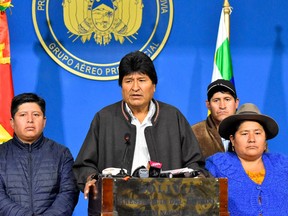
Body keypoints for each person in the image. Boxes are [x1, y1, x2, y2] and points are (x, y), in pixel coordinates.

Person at [73, 50, 209, 200]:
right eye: (129, 80)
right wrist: (91, 179)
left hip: (166, 203)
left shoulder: (173, 117)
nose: (135, 87)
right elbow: (84, 166)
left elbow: (195, 163)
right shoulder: (104, 118)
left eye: (142, 80)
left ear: (154, 86)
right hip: (118, 203)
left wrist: (197, 178)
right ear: (121, 86)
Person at [0, 93, 79, 215]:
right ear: (12, 122)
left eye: (36, 115)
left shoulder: (61, 154)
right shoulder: (1, 153)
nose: (30, 120)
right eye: (23, 115)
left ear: (44, 121)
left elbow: (69, 192)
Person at [206, 103, 288, 215]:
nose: (252, 139)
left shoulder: (283, 164)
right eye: (244, 134)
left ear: (265, 139)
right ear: (233, 140)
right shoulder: (216, 165)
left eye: (258, 133)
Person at [191, 79, 239, 159]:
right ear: (208, 104)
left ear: (236, 103)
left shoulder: (248, 130)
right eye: (216, 100)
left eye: (227, 99)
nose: (222, 106)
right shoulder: (195, 133)